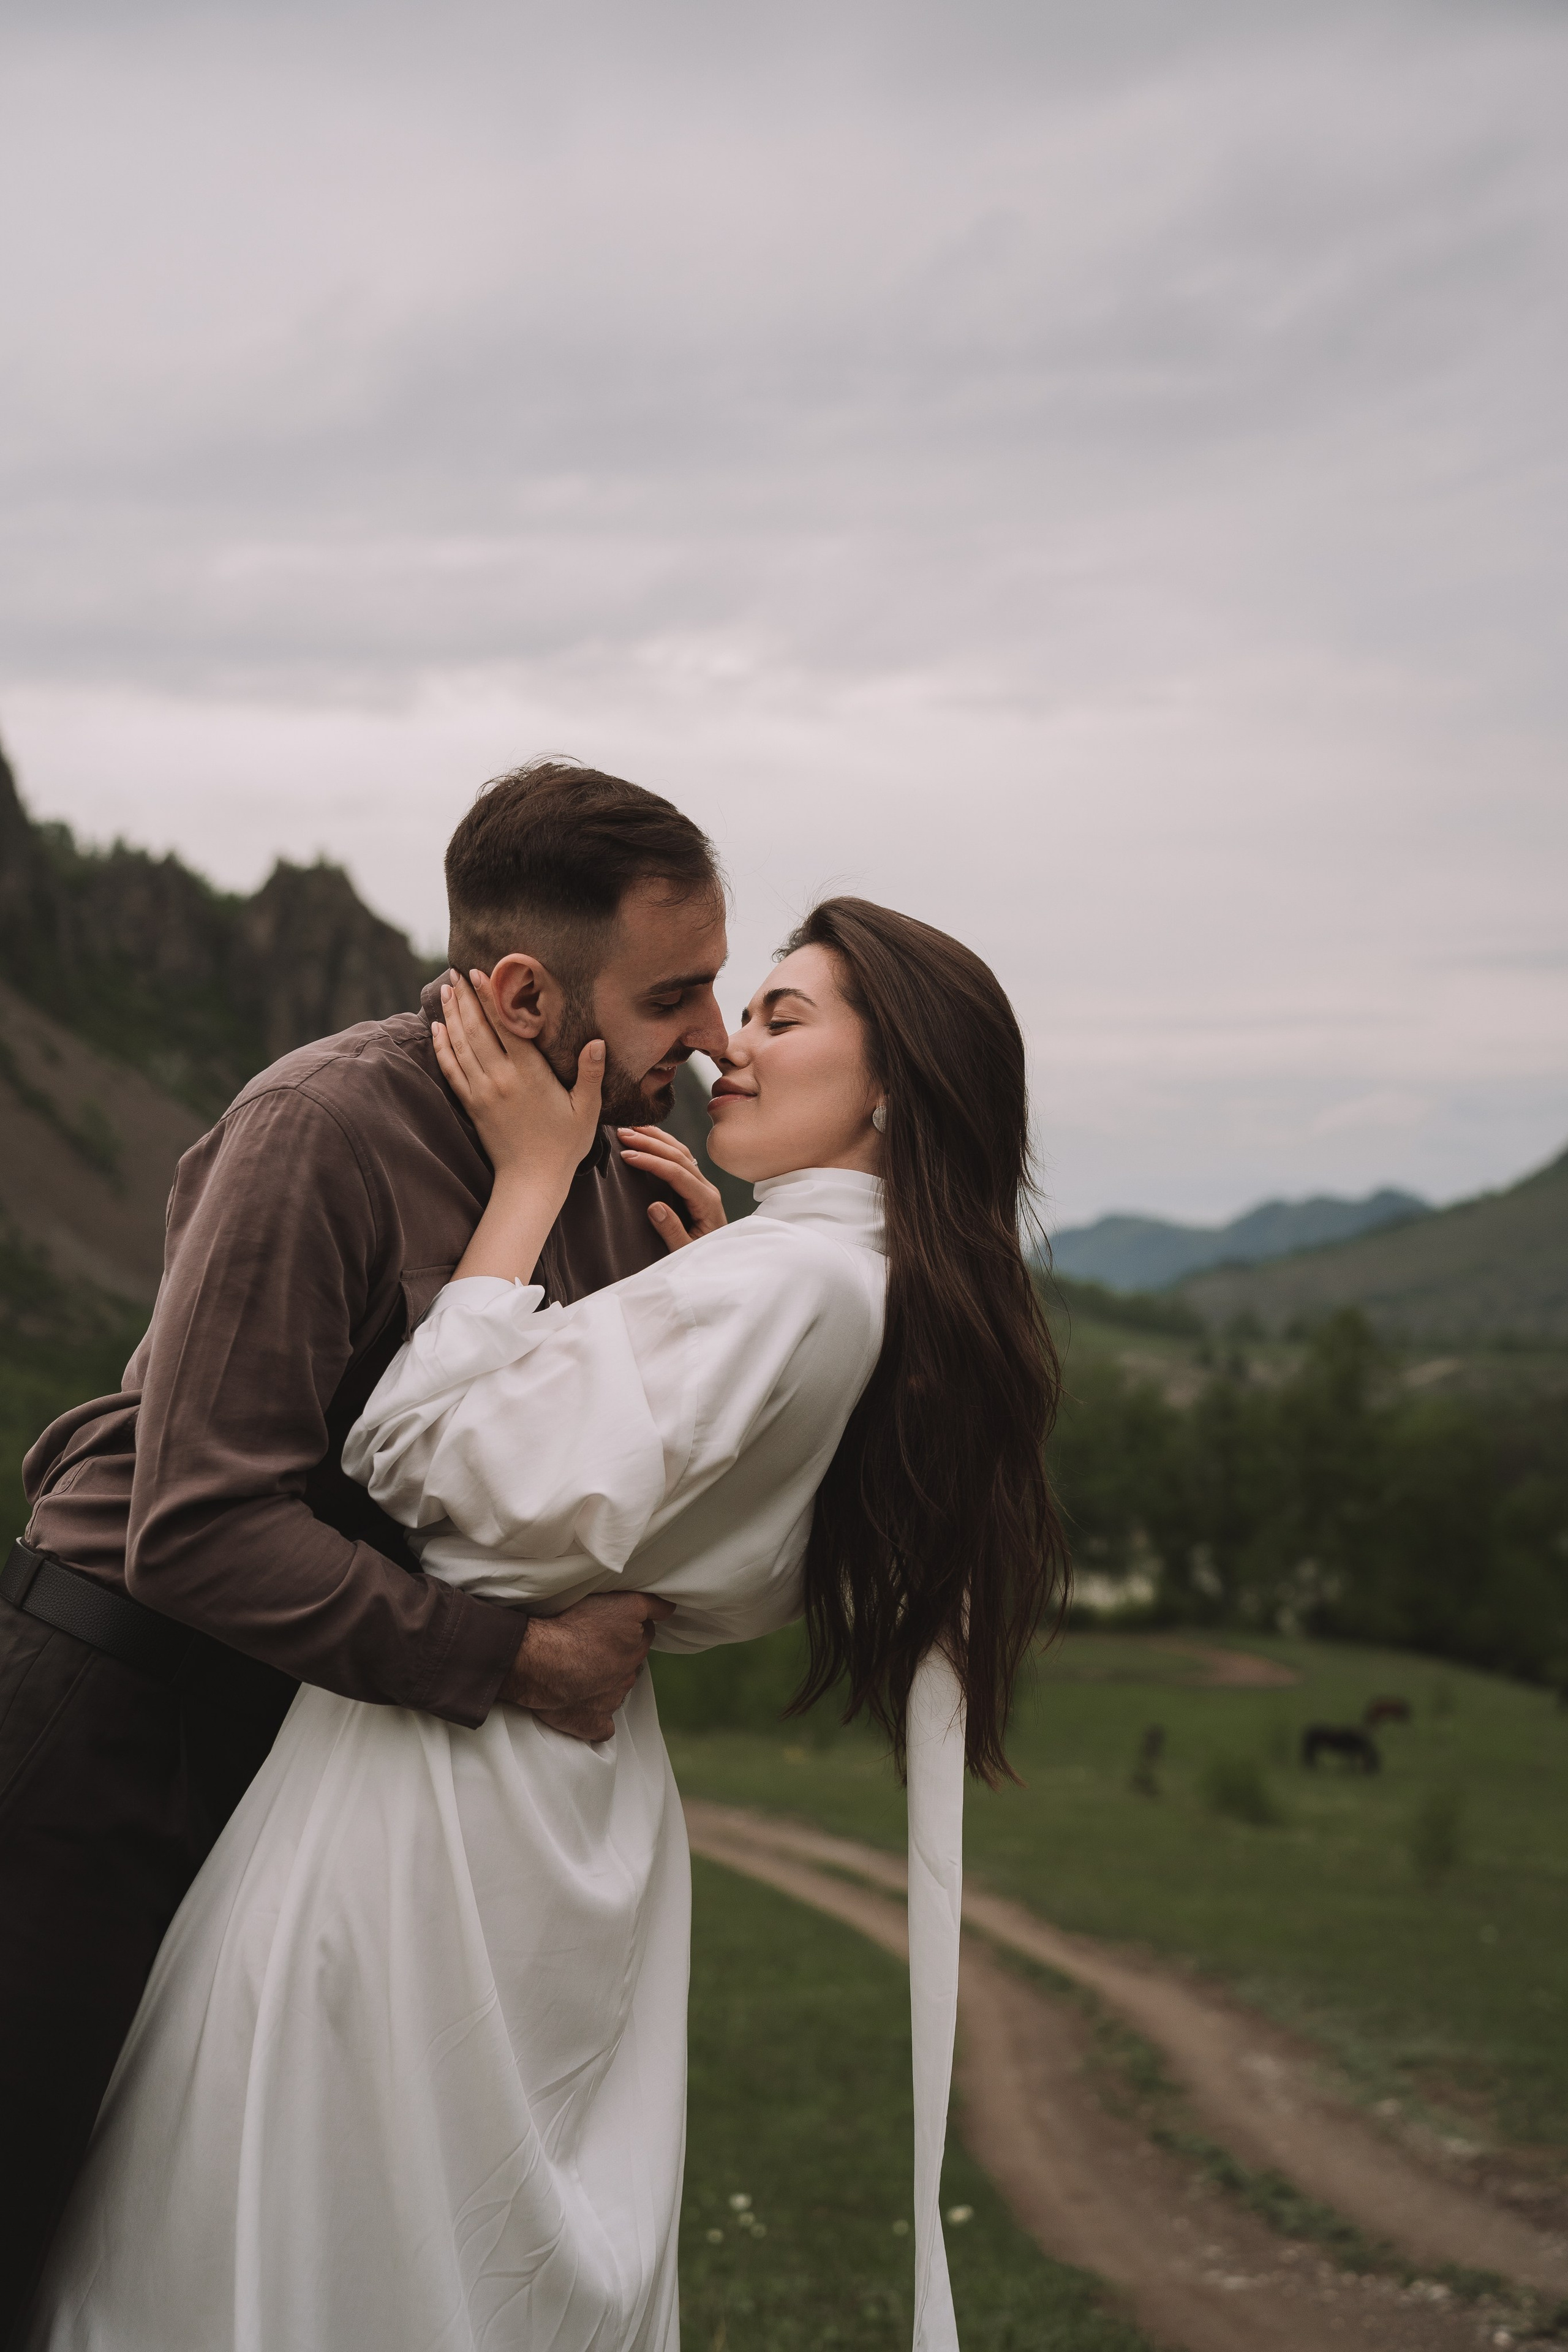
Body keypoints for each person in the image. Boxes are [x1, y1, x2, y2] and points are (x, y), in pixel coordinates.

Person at [24, 898, 1067, 2352]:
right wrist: (697, 1281)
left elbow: (422, 1455)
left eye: (776, 1016)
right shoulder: (848, 1280)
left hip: (435, 1797)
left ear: (891, 1082)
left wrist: (528, 1182)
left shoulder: (789, 1278)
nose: (723, 1051)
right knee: (450, 2228)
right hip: (566, 1789)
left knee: (298, 2218)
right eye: (714, 1006)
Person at [0, 761, 732, 2338]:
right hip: (106, 1738)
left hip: (324, 1770)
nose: (717, 1040)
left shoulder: (628, 1179)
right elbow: (198, 1526)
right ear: (529, 989)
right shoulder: (322, 1120)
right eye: (676, 994)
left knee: (218, 2242)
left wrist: (718, 1306)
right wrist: (523, 1663)